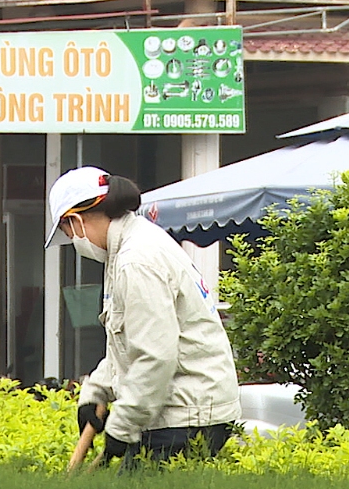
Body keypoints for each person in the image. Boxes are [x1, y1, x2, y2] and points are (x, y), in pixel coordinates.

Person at [47, 166, 241, 468]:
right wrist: (96, 392)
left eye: (68, 231)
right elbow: (127, 343)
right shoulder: (126, 249)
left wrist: (122, 425)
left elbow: (155, 356)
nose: (72, 239)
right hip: (182, 411)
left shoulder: (136, 260)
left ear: (75, 220)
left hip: (187, 417)